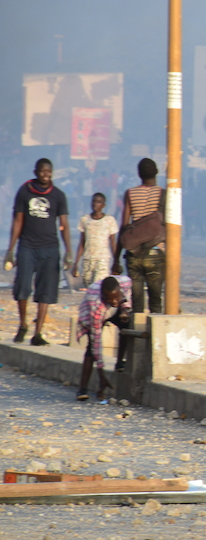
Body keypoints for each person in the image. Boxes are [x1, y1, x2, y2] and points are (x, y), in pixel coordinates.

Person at [4, 158, 71, 345]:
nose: (46, 174)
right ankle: (23, 324)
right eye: (42, 171)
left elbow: (64, 224)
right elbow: (18, 221)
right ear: (36, 172)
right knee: (22, 287)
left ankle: (38, 333)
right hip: (27, 246)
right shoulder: (24, 191)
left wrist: (69, 251)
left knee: (46, 291)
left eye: (49, 171)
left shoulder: (58, 195)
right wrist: (10, 249)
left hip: (50, 248)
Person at [112, 158, 165, 314]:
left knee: (137, 302)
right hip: (156, 252)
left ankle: (137, 335)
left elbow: (124, 226)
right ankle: (154, 334)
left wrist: (116, 258)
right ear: (156, 172)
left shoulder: (130, 193)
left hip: (133, 253)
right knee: (155, 302)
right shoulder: (163, 194)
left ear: (139, 174)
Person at [75, 275, 131, 401]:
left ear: (120, 290)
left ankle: (120, 362)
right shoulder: (96, 305)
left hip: (113, 310)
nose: (115, 302)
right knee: (91, 348)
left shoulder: (126, 282)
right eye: (110, 299)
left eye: (117, 297)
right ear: (103, 296)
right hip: (93, 313)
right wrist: (102, 376)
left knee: (127, 326)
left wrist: (125, 310)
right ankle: (82, 389)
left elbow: (127, 298)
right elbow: (96, 342)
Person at [73, 192, 118, 288]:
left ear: (103, 205)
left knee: (99, 286)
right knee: (89, 287)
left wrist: (116, 261)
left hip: (103, 259)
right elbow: (82, 243)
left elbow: (113, 243)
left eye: (98, 202)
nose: (95, 204)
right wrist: (76, 263)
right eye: (93, 201)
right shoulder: (85, 220)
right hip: (88, 259)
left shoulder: (109, 220)